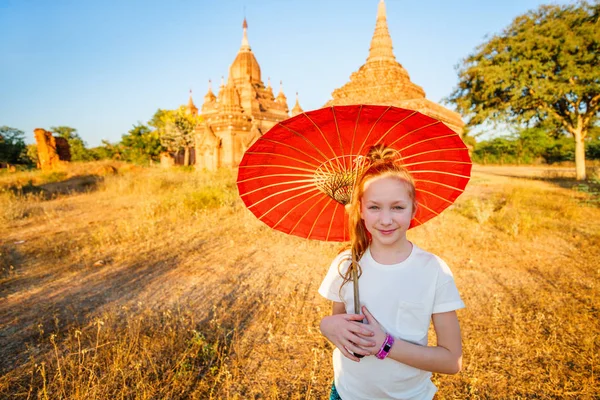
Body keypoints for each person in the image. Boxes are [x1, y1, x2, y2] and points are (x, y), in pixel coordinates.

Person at [319, 145, 465, 400]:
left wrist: (385, 345)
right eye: (374, 207)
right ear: (360, 210)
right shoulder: (346, 264)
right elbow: (339, 323)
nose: (386, 219)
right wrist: (326, 326)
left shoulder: (433, 270)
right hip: (346, 393)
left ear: (413, 209)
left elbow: (451, 361)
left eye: (397, 207)